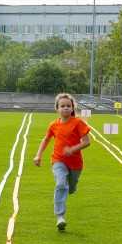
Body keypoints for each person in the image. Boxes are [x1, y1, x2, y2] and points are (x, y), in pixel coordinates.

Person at [33, 93, 91, 231]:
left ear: (72, 108)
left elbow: (87, 142)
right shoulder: (54, 125)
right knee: (61, 184)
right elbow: (46, 140)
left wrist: (72, 149)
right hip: (58, 160)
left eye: (68, 106)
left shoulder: (78, 123)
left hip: (75, 163)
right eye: (62, 106)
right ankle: (60, 217)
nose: (65, 108)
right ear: (57, 109)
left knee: (69, 188)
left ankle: (71, 187)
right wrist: (38, 155)